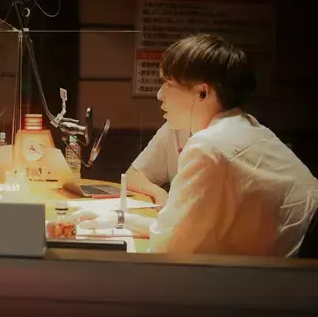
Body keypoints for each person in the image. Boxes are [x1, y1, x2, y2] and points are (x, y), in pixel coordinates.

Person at [81, 33, 318, 257]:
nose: (160, 94)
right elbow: (176, 231)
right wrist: (122, 218)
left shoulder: (209, 146)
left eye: (168, 83)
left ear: (202, 93)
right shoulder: (247, 127)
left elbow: (168, 249)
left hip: (289, 277)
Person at [125, 123, 190, 206]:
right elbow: (131, 176)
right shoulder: (173, 126)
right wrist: (160, 193)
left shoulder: (205, 139)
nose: (164, 116)